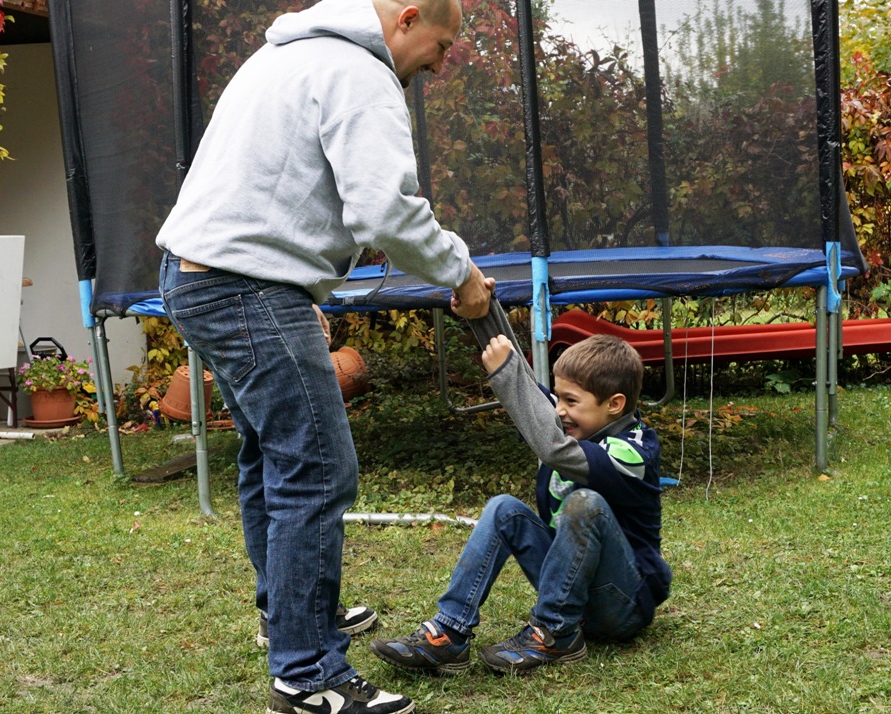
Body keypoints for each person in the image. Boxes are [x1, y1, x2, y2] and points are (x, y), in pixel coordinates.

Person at [155, 0, 494, 711]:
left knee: (270, 455)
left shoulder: (286, 54)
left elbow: (262, 179)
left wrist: (299, 281)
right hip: (244, 284)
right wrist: (460, 274)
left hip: (206, 273)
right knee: (315, 467)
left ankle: (291, 618)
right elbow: (386, 212)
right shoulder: (358, 73)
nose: (440, 63)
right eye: (441, 45)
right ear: (406, 19)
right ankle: (308, 673)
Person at [371, 333, 672, 675]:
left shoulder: (634, 451)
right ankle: (450, 632)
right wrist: (481, 312)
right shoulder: (572, 420)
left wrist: (507, 375)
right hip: (577, 589)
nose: (559, 410)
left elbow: (552, 446)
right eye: (557, 398)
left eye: (571, 401)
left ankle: (555, 633)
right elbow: (524, 383)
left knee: (584, 503)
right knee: (503, 508)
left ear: (614, 404)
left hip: (621, 603)